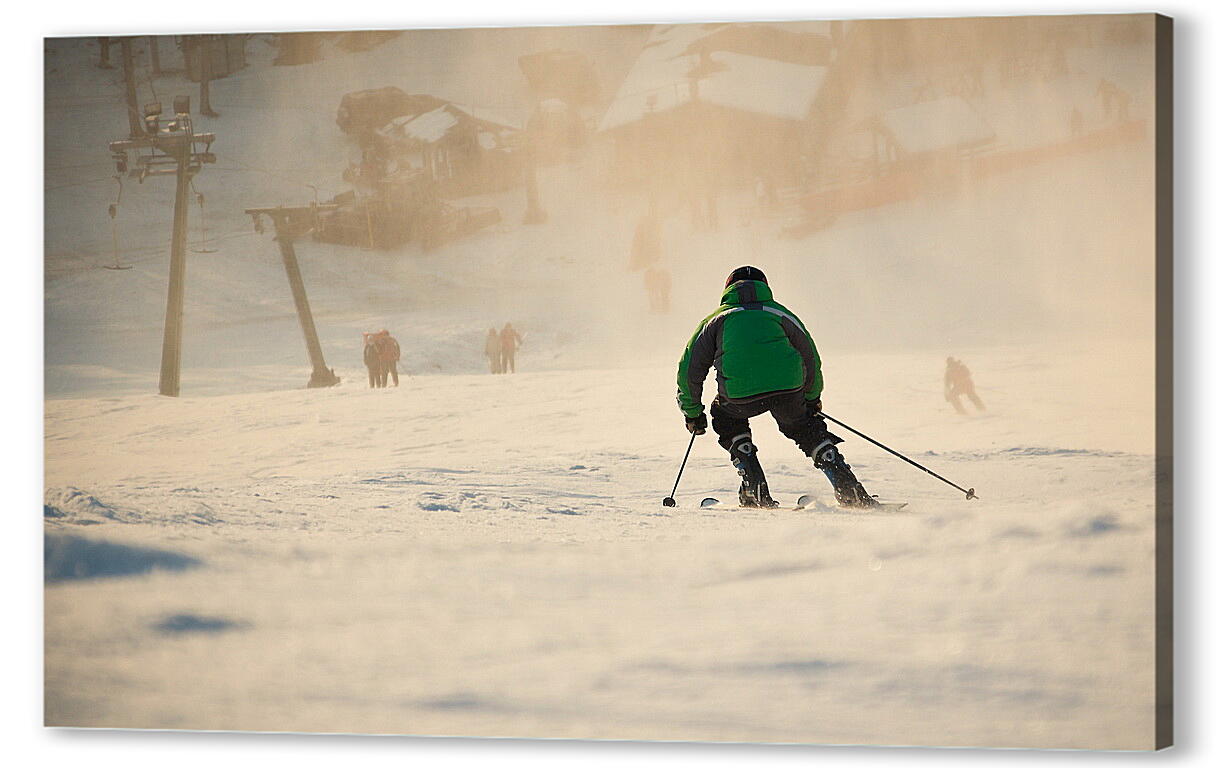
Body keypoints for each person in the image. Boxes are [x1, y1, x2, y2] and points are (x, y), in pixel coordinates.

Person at [676, 266, 878, 508]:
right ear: (765, 286)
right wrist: (811, 398)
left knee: (726, 417)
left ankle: (753, 486)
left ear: (728, 288)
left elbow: (689, 370)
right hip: (789, 389)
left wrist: (693, 413)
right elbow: (810, 357)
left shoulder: (716, 319)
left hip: (739, 396)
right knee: (805, 427)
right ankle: (848, 489)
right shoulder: (780, 313)